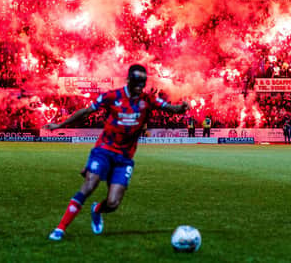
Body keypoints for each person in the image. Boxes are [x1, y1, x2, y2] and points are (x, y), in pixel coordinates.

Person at [45, 64, 189, 241]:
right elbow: (86, 112)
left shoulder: (148, 99)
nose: (139, 86)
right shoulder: (112, 96)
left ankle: (97, 209)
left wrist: (181, 108)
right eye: (136, 82)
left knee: (113, 204)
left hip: (125, 157)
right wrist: (60, 126)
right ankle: (60, 228)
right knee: (90, 184)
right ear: (128, 80)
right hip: (104, 149)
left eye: (142, 83)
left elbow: (169, 108)